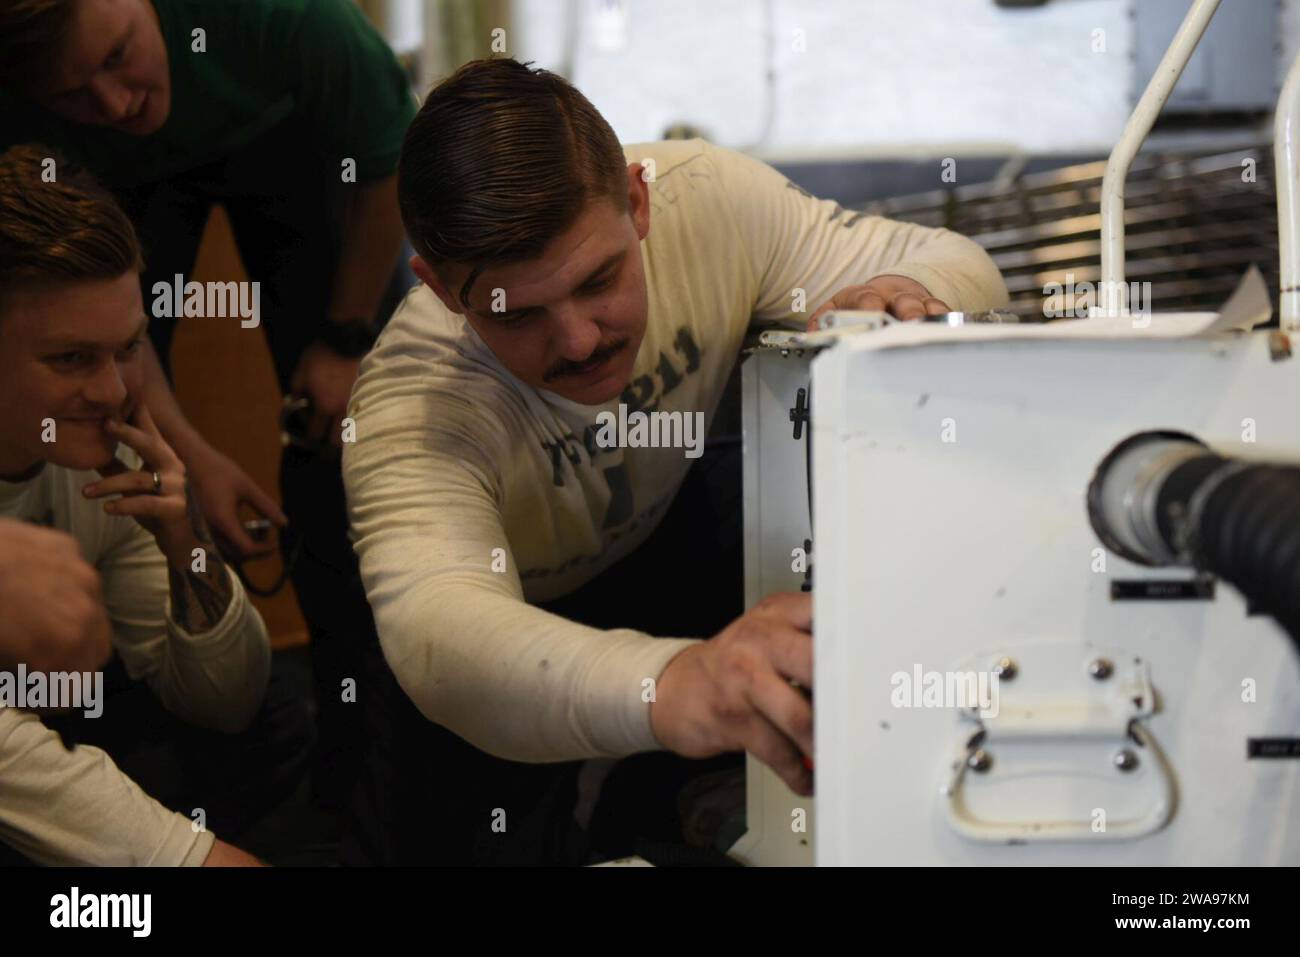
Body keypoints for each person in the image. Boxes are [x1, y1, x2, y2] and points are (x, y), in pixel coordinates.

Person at [342, 57, 1011, 864]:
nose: (580, 339)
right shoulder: (412, 403)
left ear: (637, 200)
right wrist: (673, 682)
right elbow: (441, 640)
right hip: (503, 633)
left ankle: (674, 800)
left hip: (668, 532)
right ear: (443, 291)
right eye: (517, 314)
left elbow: (961, 265)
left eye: (600, 280)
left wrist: (899, 291)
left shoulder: (712, 199)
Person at [0, 0, 419, 810]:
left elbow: (385, 162)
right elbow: (105, 326)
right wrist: (193, 456)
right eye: (77, 94)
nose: (117, 102)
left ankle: (373, 756)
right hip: (123, 182)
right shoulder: (33, 105)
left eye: (120, 56)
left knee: (350, 446)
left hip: (296, 148)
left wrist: (342, 339)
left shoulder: (283, 19)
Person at [0, 143, 306, 866]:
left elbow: (228, 703)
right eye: (71, 359)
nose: (112, 393)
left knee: (272, 717)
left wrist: (186, 541)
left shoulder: (105, 450)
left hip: (46, 721)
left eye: (128, 347)